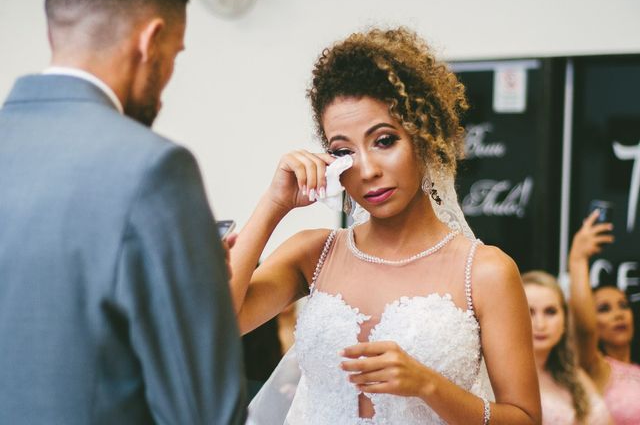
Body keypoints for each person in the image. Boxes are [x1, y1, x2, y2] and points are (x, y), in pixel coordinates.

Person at [231, 27, 541, 424]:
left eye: (384, 140)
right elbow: (214, 328)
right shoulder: (313, 253)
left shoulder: (485, 272)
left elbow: (526, 420)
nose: (368, 170)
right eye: (344, 151)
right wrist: (273, 204)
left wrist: (427, 385)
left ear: (424, 139)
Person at [0, 0, 246, 423]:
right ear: (150, 41)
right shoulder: (154, 171)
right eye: (175, 53)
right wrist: (202, 289)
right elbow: (204, 413)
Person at [568, 210, 640, 424]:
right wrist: (578, 259)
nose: (618, 314)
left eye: (622, 306)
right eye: (604, 309)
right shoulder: (595, 367)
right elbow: (584, 328)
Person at [522, 271, 611, 424]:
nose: (540, 324)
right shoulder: (501, 377)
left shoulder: (572, 373)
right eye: (529, 312)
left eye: (550, 312)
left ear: (565, 319)